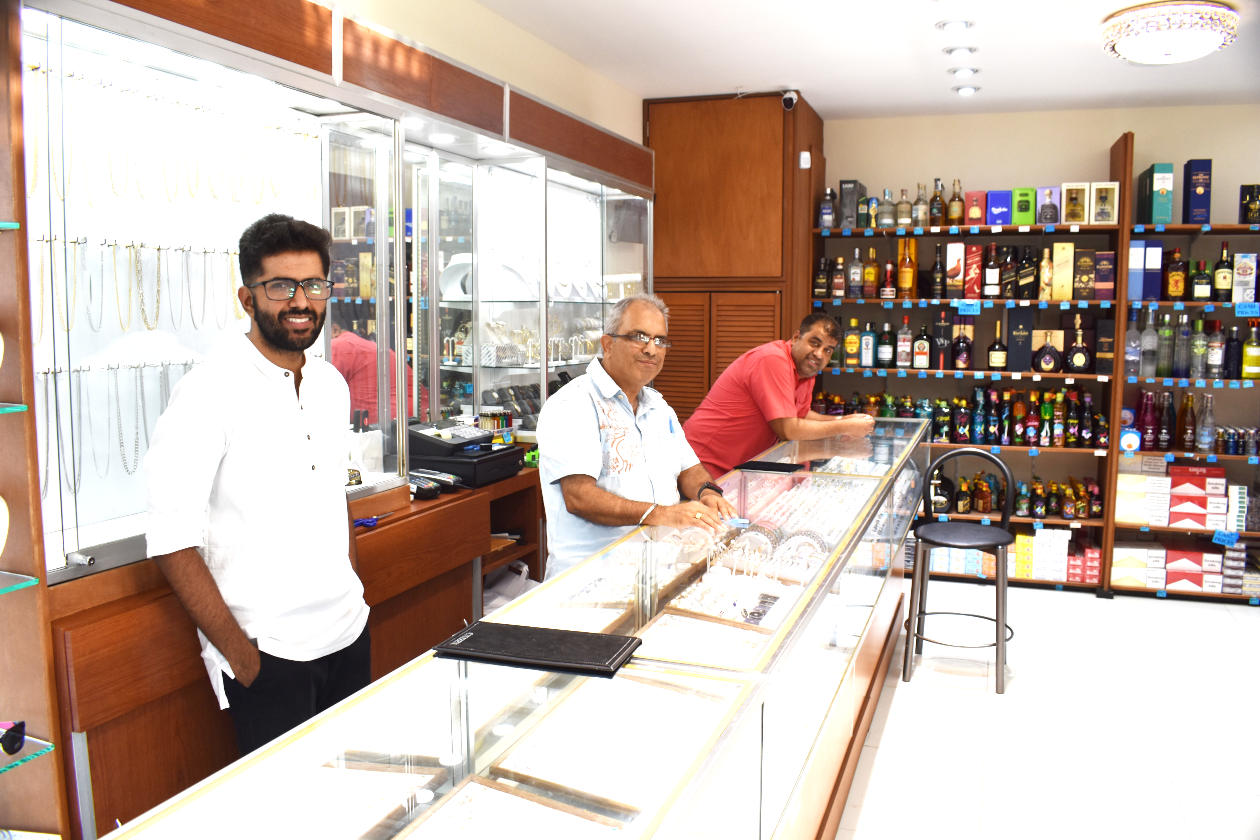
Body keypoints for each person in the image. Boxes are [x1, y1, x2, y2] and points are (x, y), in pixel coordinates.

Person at [145, 214, 370, 756]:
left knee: (360, 804)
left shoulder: (330, 383)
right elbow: (170, 538)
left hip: (347, 635)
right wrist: (244, 661)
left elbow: (331, 496)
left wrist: (353, 592)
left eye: (313, 285)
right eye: (280, 287)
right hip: (270, 657)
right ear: (247, 298)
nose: (300, 301)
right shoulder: (208, 393)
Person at [536, 293, 737, 578]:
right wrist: (662, 514)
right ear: (608, 343)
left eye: (660, 340)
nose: (651, 350)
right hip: (590, 579)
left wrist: (708, 492)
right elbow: (579, 496)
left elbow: (688, 469)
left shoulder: (658, 406)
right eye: (639, 337)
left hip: (656, 568)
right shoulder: (573, 404)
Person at [683, 312, 874, 478]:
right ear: (797, 337)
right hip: (701, 464)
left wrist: (842, 420)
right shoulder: (772, 359)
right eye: (814, 343)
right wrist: (844, 427)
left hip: (738, 468)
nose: (818, 354)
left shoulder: (806, 371)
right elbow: (788, 429)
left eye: (827, 350)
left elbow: (800, 415)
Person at [329, 308, 425, 426]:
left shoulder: (337, 345)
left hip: (390, 426)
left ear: (334, 330)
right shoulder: (360, 344)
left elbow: (322, 394)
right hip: (414, 418)